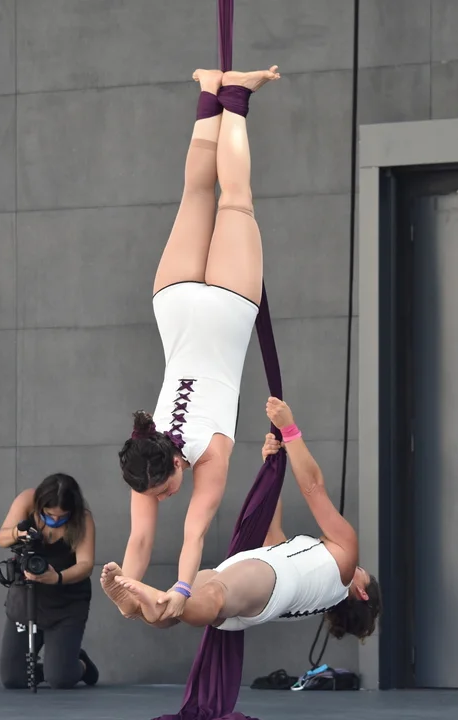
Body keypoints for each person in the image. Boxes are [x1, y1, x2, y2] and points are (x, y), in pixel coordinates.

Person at [113, 65, 282, 622]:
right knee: (196, 193)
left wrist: (181, 593)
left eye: (164, 491)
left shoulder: (208, 453)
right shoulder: (144, 457)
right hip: (175, 303)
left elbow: (195, 533)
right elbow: (140, 543)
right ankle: (209, 89)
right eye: (162, 494)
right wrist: (128, 587)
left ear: (169, 464)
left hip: (227, 308)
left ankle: (236, 96)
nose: (165, 497)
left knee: (235, 198)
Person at [104, 398, 382, 641]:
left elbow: (313, 488)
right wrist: (271, 469)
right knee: (187, 598)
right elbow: (271, 535)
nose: (358, 567)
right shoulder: (322, 596)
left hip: (269, 579)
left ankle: (151, 606)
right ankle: (142, 608)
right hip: (258, 588)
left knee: (209, 593)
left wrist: (290, 430)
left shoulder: (345, 562)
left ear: (362, 592)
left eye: (362, 571)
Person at [0, 473, 99, 689]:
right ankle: (56, 663)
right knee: (13, 678)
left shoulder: (82, 519)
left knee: (61, 679)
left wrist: (56, 577)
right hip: (26, 598)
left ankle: (78, 664)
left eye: (62, 516)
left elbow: (85, 565)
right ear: (40, 504)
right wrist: (17, 532)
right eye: (49, 515)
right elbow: (1, 539)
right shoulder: (27, 500)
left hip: (66, 602)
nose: (55, 520)